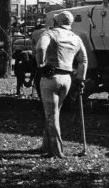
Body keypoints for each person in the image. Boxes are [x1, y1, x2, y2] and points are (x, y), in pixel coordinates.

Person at [35, 11, 87, 159]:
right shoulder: (76, 38)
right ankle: (46, 146)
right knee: (54, 112)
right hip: (67, 79)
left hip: (51, 77)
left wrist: (41, 65)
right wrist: (80, 79)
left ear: (56, 22)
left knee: (52, 116)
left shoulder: (49, 34)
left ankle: (57, 151)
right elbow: (83, 60)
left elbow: (40, 48)